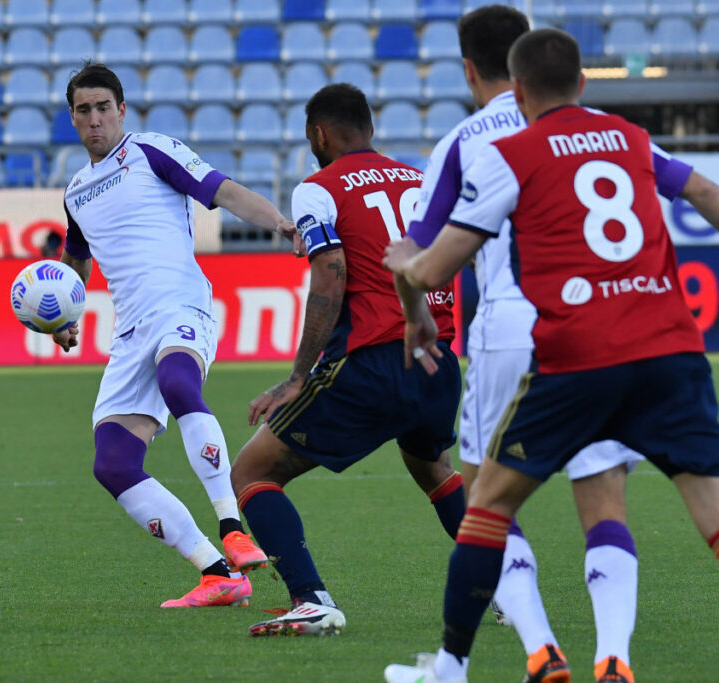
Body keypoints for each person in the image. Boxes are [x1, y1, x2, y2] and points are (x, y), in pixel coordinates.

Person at [383, 29, 719, 683]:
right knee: (701, 507)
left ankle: (456, 664)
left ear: (517, 91)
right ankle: (612, 656)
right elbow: (704, 192)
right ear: (584, 84)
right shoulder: (628, 137)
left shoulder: (510, 153)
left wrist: (407, 269)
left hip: (576, 355)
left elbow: (435, 266)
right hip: (669, 349)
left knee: (487, 506)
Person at [404, 7, 644, 681]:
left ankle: (540, 648)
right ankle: (614, 656)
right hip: (597, 325)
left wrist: (415, 313)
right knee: (603, 498)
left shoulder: (462, 142)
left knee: (487, 503)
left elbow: (420, 253)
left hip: (509, 328)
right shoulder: (601, 129)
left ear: (470, 69)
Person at [54, 62, 299, 607]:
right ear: (72, 118)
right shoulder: (75, 193)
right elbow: (76, 259)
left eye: (103, 108)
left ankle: (232, 528)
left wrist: (278, 221)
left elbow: (223, 190)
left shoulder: (151, 151)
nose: (94, 119)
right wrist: (64, 316)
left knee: (178, 382)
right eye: (83, 110)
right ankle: (218, 574)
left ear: (122, 110)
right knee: (112, 463)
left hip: (180, 304)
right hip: (130, 332)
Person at [229, 83, 466, 636]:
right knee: (432, 466)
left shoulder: (318, 188)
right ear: (371, 129)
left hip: (372, 362)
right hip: (437, 358)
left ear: (318, 134)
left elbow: (331, 273)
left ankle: (310, 599)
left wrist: (296, 377)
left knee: (252, 471)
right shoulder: (420, 180)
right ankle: (506, 586)